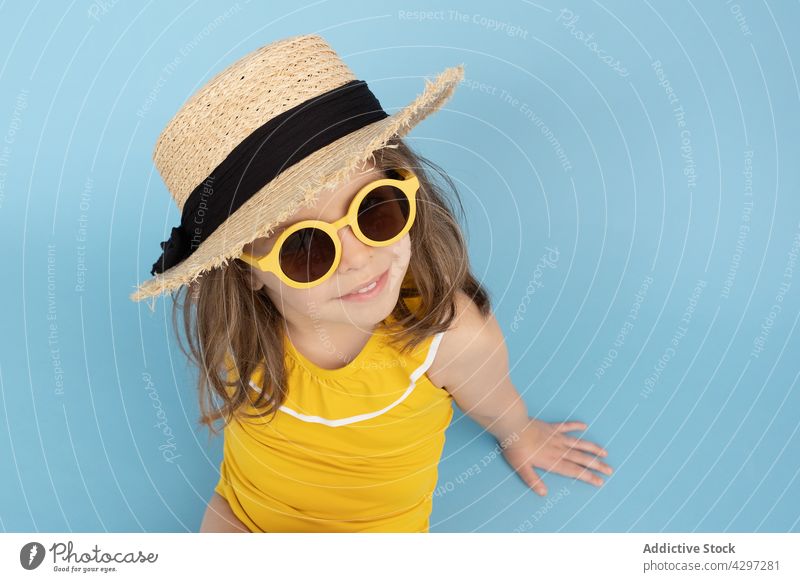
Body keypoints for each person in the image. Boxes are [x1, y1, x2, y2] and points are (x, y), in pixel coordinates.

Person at [130, 34, 612, 533]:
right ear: (244, 270)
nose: (360, 258)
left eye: (374, 209)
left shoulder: (450, 337)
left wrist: (520, 434)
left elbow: (493, 395)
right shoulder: (241, 328)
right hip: (242, 515)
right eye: (305, 247)